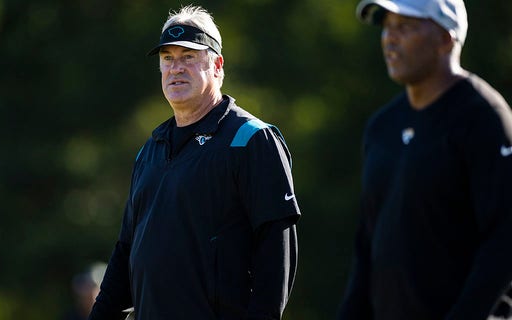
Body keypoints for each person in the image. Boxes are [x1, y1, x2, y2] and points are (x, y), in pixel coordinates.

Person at [87, 5, 301, 320]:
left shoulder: (250, 139)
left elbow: (275, 250)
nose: (176, 68)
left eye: (189, 57)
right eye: (167, 59)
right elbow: (126, 252)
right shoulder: (150, 150)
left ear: (217, 65)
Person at [338, 0, 512, 319]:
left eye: (404, 26)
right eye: (387, 27)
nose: (390, 38)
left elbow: (503, 241)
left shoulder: (484, 117)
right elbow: (369, 242)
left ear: (446, 38)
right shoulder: (382, 126)